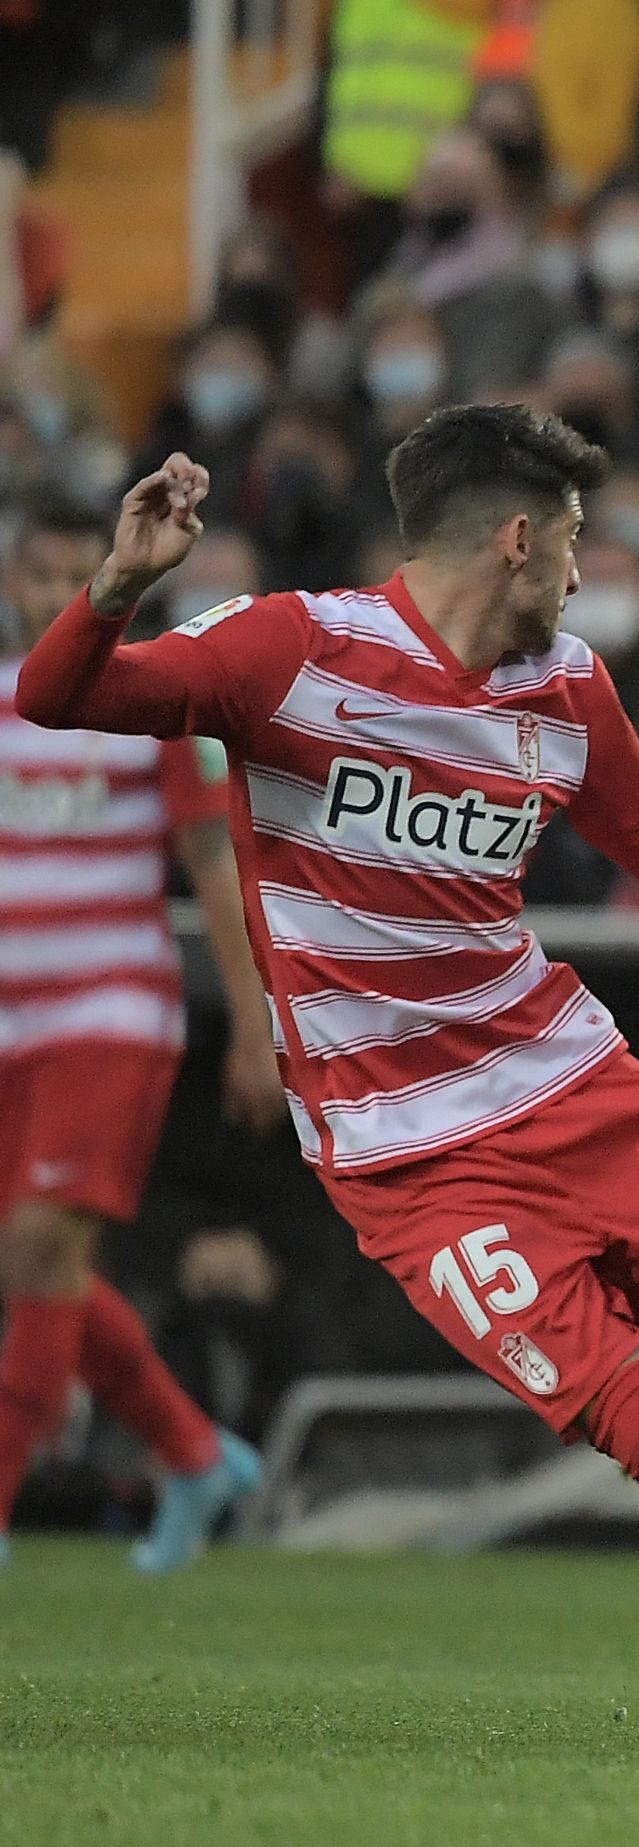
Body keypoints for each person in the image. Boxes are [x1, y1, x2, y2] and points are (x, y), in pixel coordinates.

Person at [17, 406, 639, 1769]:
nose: (584, 574)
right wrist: (118, 587)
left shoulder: (564, 689)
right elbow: (59, 697)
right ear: (517, 535)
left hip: (573, 1081)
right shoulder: (290, 649)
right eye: (576, 545)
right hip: (411, 1160)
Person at [0, 504, 280, 1569]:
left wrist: (254, 1025)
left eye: (81, 569)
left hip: (107, 1013)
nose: (55, 589)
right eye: (41, 571)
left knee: (39, 1247)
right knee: (36, 1273)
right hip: (12, 1025)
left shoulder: (153, 700)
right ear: (15, 585)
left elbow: (215, 864)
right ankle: (196, 1454)